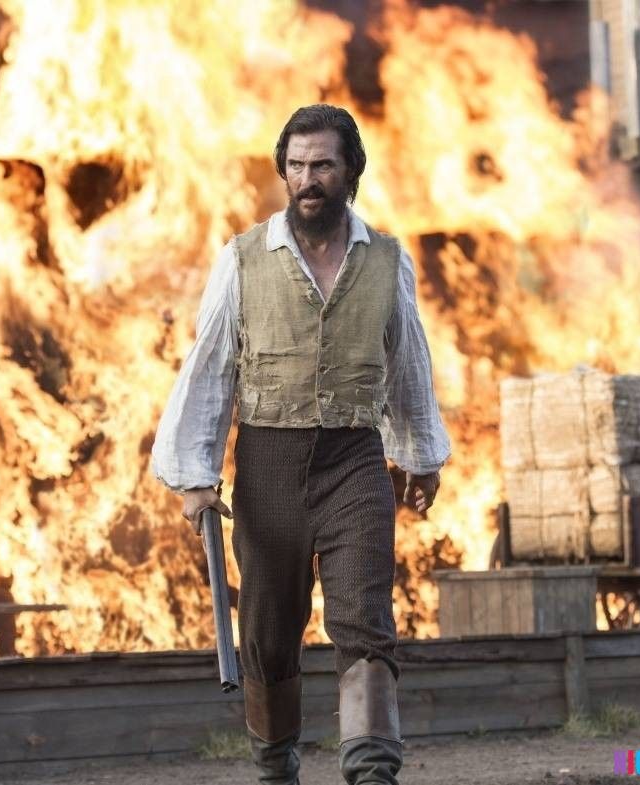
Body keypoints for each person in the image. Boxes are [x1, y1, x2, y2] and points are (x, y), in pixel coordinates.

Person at [151, 104, 451, 785]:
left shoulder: (387, 260)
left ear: (351, 172)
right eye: (296, 166)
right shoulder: (243, 258)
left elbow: (406, 358)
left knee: (365, 621)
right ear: (283, 173)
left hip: (354, 462)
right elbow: (210, 365)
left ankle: (371, 770)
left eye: (322, 165)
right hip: (268, 466)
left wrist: (420, 453)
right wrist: (195, 475)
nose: (308, 179)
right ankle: (273, 766)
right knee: (267, 633)